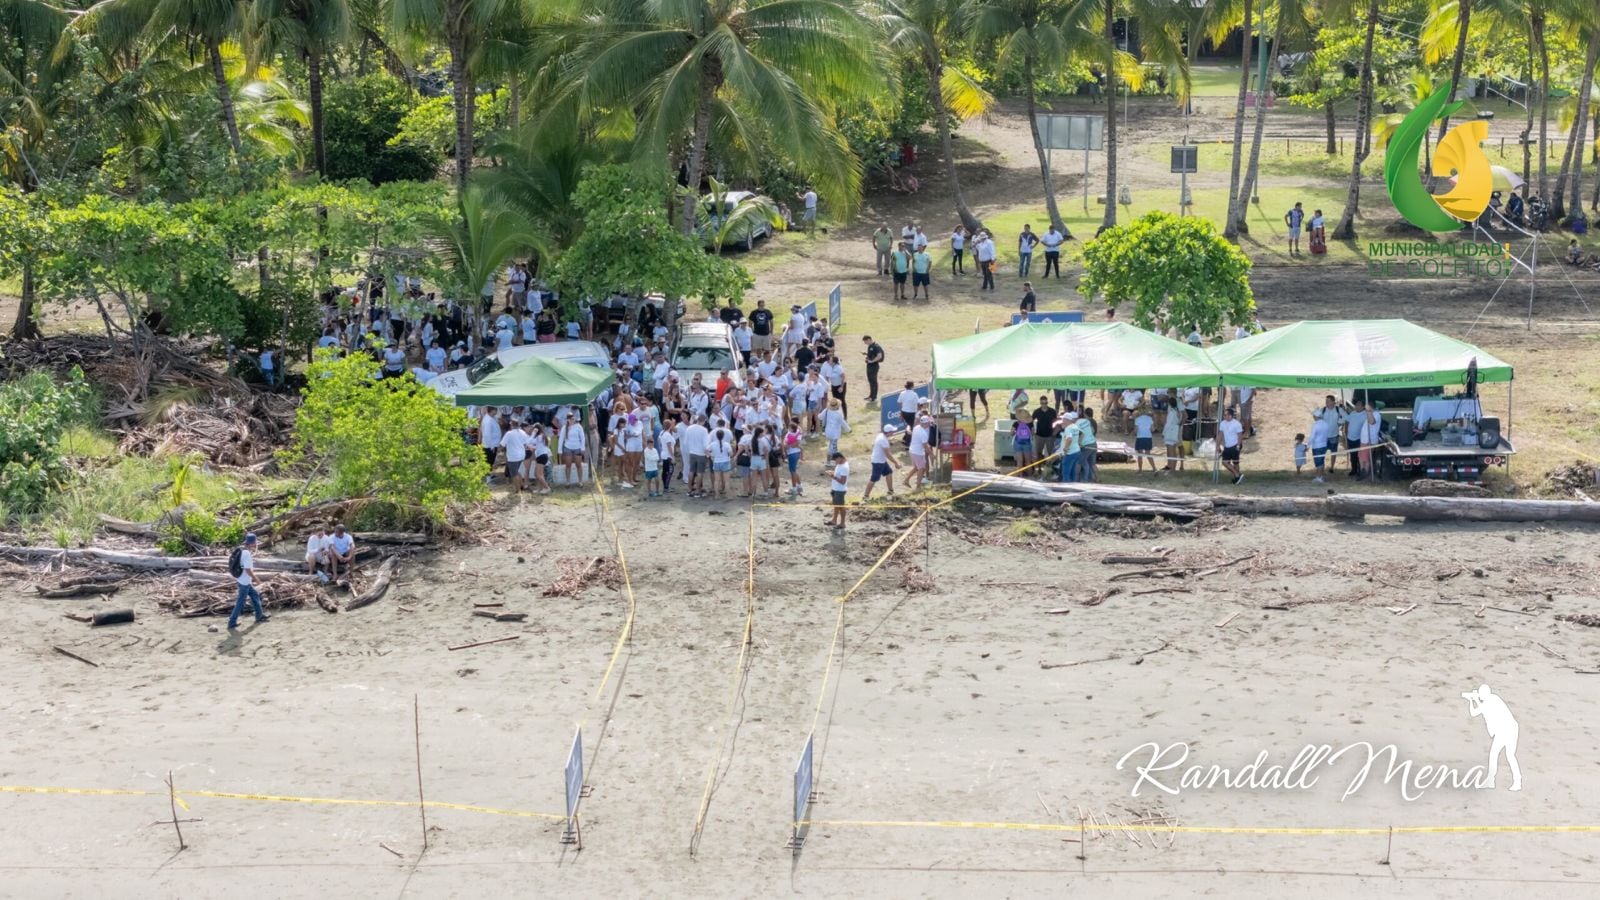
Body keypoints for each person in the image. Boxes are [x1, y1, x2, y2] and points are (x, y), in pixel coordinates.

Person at [227, 533, 269, 630]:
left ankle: (259, 616)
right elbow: (248, 570)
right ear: (252, 543)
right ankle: (232, 622)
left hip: (243, 580)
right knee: (240, 602)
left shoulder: (242, 550)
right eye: (255, 543)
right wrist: (257, 580)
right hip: (244, 582)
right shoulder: (247, 554)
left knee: (255, 595)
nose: (255, 544)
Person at [863, 424, 898, 499]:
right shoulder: (883, 440)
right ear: (888, 432)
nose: (893, 432)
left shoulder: (881, 435)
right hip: (878, 462)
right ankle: (865, 496)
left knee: (889, 472)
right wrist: (896, 463)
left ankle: (890, 491)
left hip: (881, 460)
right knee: (874, 479)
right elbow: (888, 454)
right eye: (892, 431)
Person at [1217, 407, 1245, 484]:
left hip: (1235, 445)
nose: (1224, 416)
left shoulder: (1237, 424)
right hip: (1227, 446)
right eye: (1224, 415)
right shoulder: (1222, 423)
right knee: (1224, 462)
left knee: (1236, 463)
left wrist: (1238, 445)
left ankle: (1237, 478)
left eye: (1225, 415)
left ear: (1230, 416)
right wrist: (1218, 446)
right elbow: (1220, 435)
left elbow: (1240, 435)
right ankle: (1237, 475)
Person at [501, 419, 530, 492]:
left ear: (511, 425)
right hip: (522, 455)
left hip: (513, 456)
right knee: (517, 472)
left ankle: (517, 490)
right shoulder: (522, 432)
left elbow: (502, 444)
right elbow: (528, 442)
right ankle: (522, 485)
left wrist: (499, 450)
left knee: (514, 474)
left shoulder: (509, 433)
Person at [560, 412, 588, 487]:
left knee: (578, 465)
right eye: (570, 419)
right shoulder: (564, 427)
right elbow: (561, 439)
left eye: (572, 418)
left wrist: (582, 448)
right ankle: (568, 481)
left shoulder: (578, 426)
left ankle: (580, 481)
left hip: (577, 447)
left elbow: (582, 437)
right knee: (568, 465)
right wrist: (560, 450)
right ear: (567, 420)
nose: (571, 420)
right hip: (567, 447)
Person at [829, 452, 850, 529]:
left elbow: (843, 481)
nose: (835, 462)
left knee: (841, 507)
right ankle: (834, 520)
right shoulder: (839, 464)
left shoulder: (844, 467)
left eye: (835, 460)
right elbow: (838, 475)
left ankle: (842, 523)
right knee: (836, 506)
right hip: (835, 488)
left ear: (839, 458)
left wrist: (833, 476)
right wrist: (833, 473)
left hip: (840, 490)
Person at [479, 406, 502, 473]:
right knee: (489, 462)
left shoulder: (491, 418)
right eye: (496, 410)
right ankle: (487, 477)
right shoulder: (488, 420)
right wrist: (492, 447)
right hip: (489, 446)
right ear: (492, 410)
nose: (497, 411)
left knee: (491, 461)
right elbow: (487, 435)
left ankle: (489, 475)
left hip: (492, 445)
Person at [861, 335, 884, 403]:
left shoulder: (876, 346)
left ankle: (874, 397)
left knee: (873, 382)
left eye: (865, 341)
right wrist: (866, 354)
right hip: (869, 366)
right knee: (871, 381)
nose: (865, 343)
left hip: (874, 366)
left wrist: (872, 361)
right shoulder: (870, 346)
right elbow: (872, 354)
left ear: (869, 339)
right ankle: (871, 396)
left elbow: (879, 356)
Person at [1161, 403, 1183, 473]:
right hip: (1174, 432)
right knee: (1173, 451)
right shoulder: (1178, 412)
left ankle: (1172, 469)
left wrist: (1163, 433)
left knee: (1171, 452)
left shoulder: (1172, 413)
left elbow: (1168, 424)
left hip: (1170, 433)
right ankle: (1171, 467)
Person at [1134, 405, 1156, 473]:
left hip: (1140, 437)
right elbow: (1152, 429)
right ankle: (1154, 468)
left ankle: (1140, 469)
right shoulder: (1150, 419)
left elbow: (1136, 430)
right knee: (1148, 453)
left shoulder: (1137, 419)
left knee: (1140, 454)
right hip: (1148, 437)